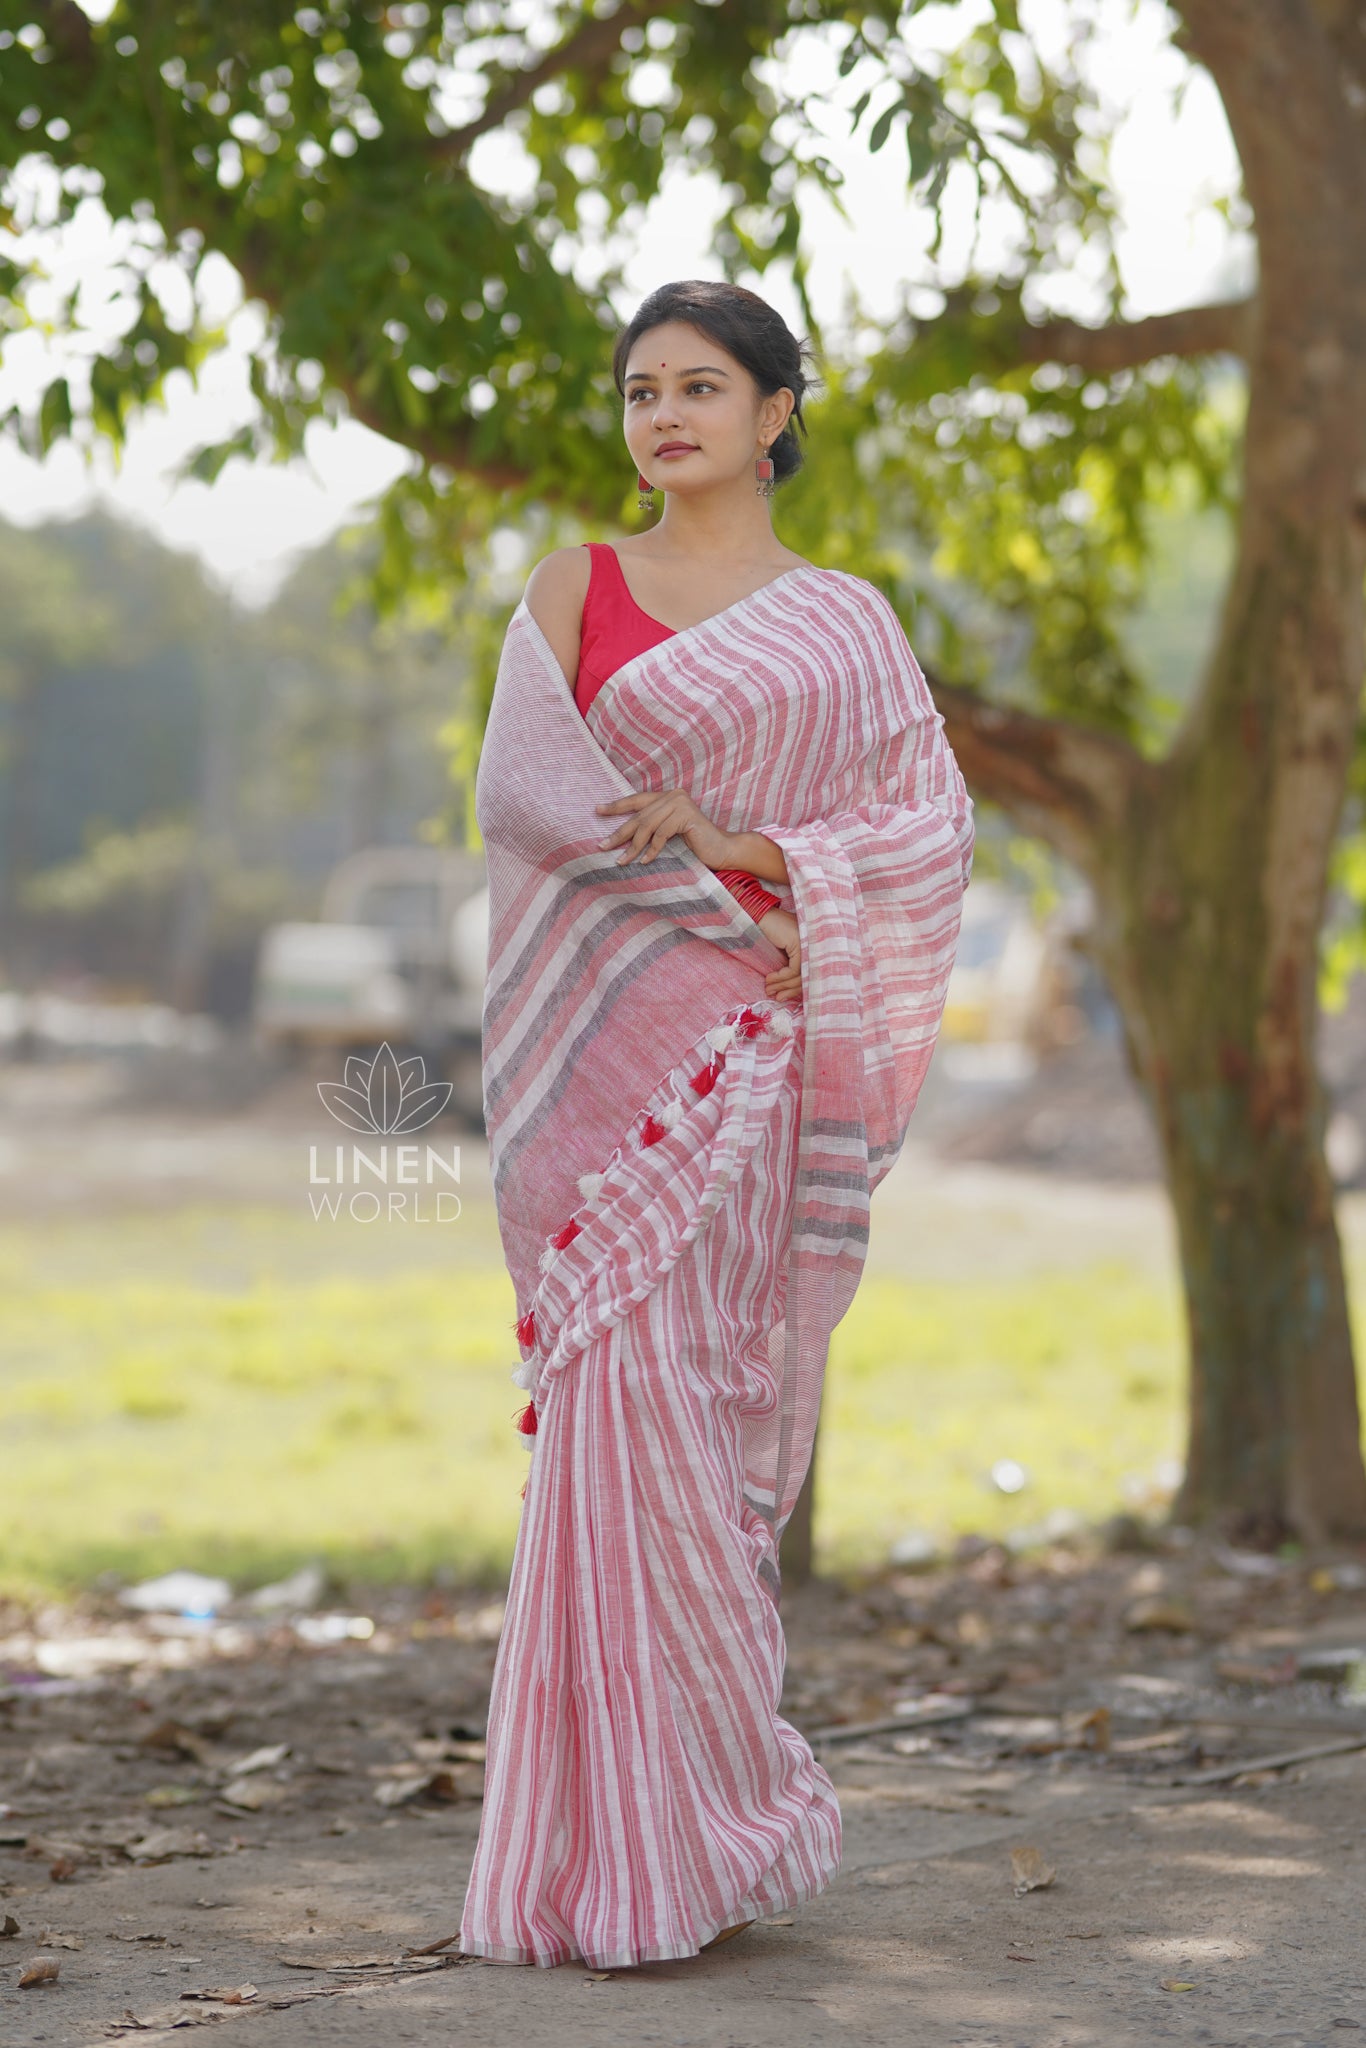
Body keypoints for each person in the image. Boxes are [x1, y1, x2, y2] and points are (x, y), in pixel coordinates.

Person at [460, 279, 974, 1970]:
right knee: (609, 1445)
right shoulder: (572, 588)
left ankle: (704, 1827)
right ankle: (602, 1862)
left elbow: (915, 833)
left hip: (747, 1079)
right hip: (608, 1080)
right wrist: (685, 881)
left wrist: (754, 855)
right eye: (637, 390)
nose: (661, 414)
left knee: (690, 1452)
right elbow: (527, 807)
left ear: (772, 415)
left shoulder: (842, 624)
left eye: (699, 386)